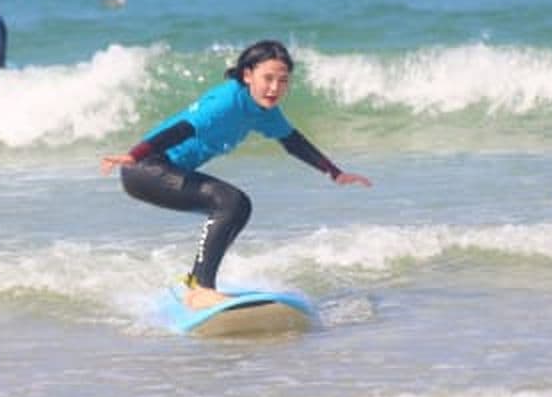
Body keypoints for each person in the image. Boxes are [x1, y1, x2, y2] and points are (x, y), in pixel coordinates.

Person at [100, 40, 372, 309]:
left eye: (283, 80)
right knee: (230, 202)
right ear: (248, 74)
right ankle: (201, 288)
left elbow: (292, 141)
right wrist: (135, 155)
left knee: (238, 208)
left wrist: (335, 173)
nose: (275, 87)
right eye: (268, 78)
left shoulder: (264, 111)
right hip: (145, 168)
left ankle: (196, 282)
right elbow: (184, 128)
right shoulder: (227, 101)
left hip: (161, 169)